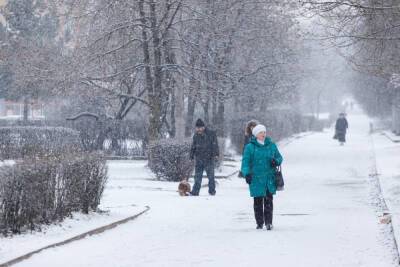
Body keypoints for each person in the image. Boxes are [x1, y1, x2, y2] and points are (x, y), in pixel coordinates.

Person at [240, 124, 283, 230]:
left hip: (269, 177)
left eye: (264, 132)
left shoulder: (271, 145)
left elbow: (279, 157)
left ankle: (269, 223)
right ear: (255, 134)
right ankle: (259, 223)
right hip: (256, 178)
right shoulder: (250, 147)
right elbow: (245, 162)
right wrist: (247, 173)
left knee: (269, 200)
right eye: (261, 132)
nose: (263, 134)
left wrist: (275, 161)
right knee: (258, 201)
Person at [189, 118, 219, 196]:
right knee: (197, 176)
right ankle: (195, 191)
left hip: (209, 158)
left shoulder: (211, 134)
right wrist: (191, 155)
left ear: (203, 127)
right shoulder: (195, 136)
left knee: (211, 176)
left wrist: (216, 155)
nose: (198, 129)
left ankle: (212, 191)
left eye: (200, 128)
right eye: (197, 128)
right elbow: (193, 146)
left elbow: (215, 145)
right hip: (199, 158)